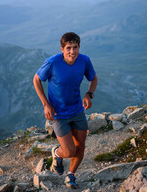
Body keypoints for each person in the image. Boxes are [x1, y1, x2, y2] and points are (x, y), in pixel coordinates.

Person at [33, 32, 98, 189]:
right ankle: (56, 153)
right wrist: (45, 104)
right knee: (69, 151)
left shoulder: (84, 61)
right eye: (68, 48)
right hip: (58, 114)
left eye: (75, 47)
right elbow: (36, 79)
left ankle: (70, 175)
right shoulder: (52, 62)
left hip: (77, 110)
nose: (72, 52)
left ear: (79, 47)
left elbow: (93, 79)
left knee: (80, 146)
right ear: (62, 49)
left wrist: (89, 94)